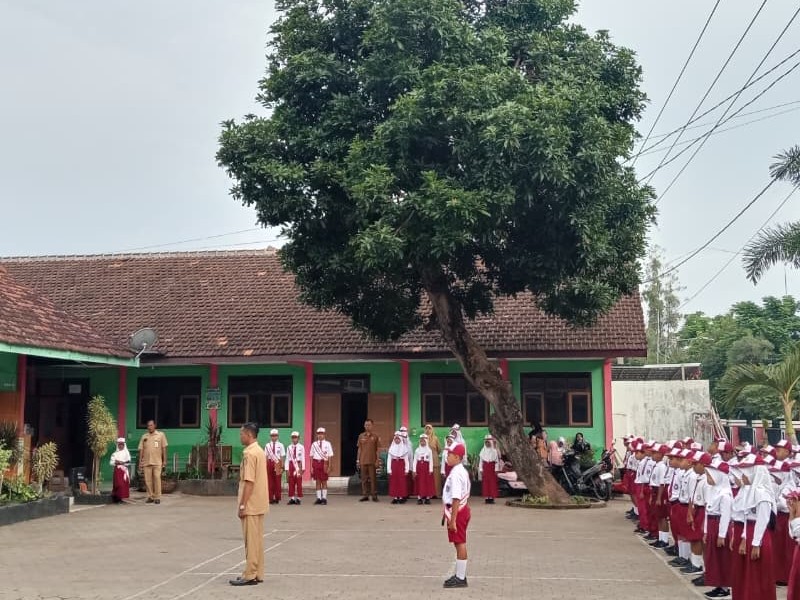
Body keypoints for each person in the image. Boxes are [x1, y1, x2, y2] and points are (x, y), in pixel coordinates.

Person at [732, 454, 776, 600]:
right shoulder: (750, 492)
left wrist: (756, 544)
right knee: (748, 574)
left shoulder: (763, 494)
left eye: (745, 473)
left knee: (758, 575)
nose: (742, 477)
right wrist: (744, 538)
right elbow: (746, 518)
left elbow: (762, 520)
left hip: (760, 536)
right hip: (750, 532)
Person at [229, 422, 269, 586]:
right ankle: (257, 572)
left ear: (249, 435)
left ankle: (250, 574)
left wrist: (242, 505)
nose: (240, 437)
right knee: (257, 540)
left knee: (251, 541)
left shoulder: (249, 453)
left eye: (242, 434)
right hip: (259, 502)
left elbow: (249, 482)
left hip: (251, 504)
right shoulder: (259, 450)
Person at [442, 442, 471, 588]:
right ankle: (460, 575)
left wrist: (453, 520)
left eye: (450, 454)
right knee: (458, 542)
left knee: (460, 543)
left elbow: (456, 498)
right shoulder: (459, 471)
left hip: (458, 512)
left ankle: (460, 577)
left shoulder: (456, 474)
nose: (447, 457)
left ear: (457, 457)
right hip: (459, 510)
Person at [137, 420, 168, 504]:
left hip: (157, 462)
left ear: (155, 425)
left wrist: (165, 460)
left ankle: (157, 497)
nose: (149, 427)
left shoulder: (161, 435)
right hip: (146, 462)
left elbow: (164, 448)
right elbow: (141, 450)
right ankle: (150, 497)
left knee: (157, 479)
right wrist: (140, 462)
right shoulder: (144, 436)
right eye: (148, 426)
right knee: (148, 481)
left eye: (151, 425)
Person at [357, 418, 381, 502]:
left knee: (373, 479)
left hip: (372, 461)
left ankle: (374, 495)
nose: (367, 426)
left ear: (372, 426)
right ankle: (365, 495)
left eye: (369, 425)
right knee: (364, 479)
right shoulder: (361, 436)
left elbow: (378, 449)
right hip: (363, 461)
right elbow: (359, 449)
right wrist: (358, 460)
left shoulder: (375, 436)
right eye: (366, 425)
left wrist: (377, 460)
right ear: (364, 426)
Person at [310, 427, 334, 505]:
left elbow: (330, 456)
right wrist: (311, 467)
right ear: (317, 435)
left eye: (322, 434)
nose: (320, 435)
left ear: (324, 434)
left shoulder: (328, 444)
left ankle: (324, 498)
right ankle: (318, 498)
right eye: (319, 434)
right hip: (316, 463)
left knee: (324, 481)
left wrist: (329, 466)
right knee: (317, 481)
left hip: (324, 463)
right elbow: (311, 456)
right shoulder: (314, 444)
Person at [387, 431, 410, 503]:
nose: (397, 440)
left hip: (401, 466)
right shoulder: (391, 448)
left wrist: (406, 469)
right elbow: (389, 460)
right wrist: (389, 470)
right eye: (396, 439)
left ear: (400, 439)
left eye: (398, 439)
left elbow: (406, 460)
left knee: (401, 482)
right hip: (394, 466)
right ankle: (395, 497)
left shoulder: (404, 448)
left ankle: (401, 497)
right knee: (394, 482)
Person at [265, 429, 285, 505]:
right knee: (270, 481)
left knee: (277, 481)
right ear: (270, 436)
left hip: (278, 463)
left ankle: (277, 497)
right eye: (272, 436)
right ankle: (270, 498)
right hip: (270, 463)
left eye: (275, 435)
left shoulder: (281, 445)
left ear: (277, 436)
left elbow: (282, 456)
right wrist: (265, 465)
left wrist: (282, 466)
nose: (274, 437)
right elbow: (266, 456)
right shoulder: (267, 445)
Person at [478, 434, 500, 504]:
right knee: (486, 483)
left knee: (492, 483)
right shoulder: (482, 451)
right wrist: (481, 469)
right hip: (485, 468)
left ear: (491, 442)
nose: (487, 444)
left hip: (492, 468)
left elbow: (497, 462)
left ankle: (491, 498)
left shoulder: (494, 451)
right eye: (486, 442)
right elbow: (481, 461)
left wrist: (496, 469)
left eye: (488, 442)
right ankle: (487, 498)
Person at [284, 431, 305, 505]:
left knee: (299, 483)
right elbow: (287, 458)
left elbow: (303, 458)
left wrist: (303, 468)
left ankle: (298, 498)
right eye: (293, 437)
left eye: (296, 437)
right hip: (291, 465)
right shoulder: (289, 447)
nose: (294, 439)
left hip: (298, 465)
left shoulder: (301, 447)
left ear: (298, 438)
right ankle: (292, 498)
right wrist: (287, 469)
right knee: (291, 482)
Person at [414, 434, 435, 504]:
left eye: (424, 441)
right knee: (420, 482)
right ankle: (419, 498)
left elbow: (431, 460)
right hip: (419, 468)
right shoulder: (417, 450)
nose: (422, 443)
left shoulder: (429, 450)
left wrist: (431, 469)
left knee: (427, 483)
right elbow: (415, 460)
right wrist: (414, 470)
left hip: (426, 468)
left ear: (426, 441)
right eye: (421, 441)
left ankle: (427, 498)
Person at [109, 437, 131, 503]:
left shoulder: (126, 453)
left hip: (124, 471)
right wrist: (117, 462)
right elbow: (111, 462)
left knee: (123, 485)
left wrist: (122, 462)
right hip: (117, 470)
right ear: (117, 445)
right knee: (118, 484)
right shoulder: (115, 453)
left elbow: (128, 461)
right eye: (119, 444)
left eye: (122, 444)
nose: (121, 446)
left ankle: (121, 498)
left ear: (124, 445)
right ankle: (116, 498)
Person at [425, 423, 442, 497]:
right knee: (427, 477)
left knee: (435, 477)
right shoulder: (423, 438)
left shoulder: (435, 438)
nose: (428, 430)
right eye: (426, 428)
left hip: (434, 459)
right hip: (426, 459)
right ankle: (427, 493)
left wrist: (434, 454)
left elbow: (439, 449)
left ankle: (436, 493)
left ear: (432, 430)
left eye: (429, 428)